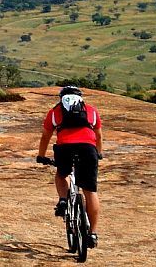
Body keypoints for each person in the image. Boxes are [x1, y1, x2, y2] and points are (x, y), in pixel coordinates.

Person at [36, 85, 103, 248]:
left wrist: (41, 156)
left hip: (64, 147)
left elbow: (46, 136)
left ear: (62, 98)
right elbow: (99, 135)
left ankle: (64, 200)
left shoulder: (55, 112)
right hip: (88, 149)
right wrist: (98, 153)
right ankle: (92, 234)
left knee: (61, 174)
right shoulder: (91, 111)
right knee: (90, 191)